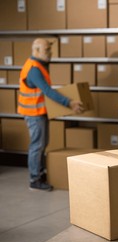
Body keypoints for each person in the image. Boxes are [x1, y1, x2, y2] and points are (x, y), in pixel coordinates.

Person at [18, 38, 84, 191]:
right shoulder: (34, 69)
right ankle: (34, 179)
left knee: (42, 144)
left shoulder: (40, 65)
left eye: (50, 49)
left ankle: (40, 174)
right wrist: (69, 102)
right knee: (37, 145)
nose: (50, 53)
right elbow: (47, 91)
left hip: (39, 112)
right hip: (33, 113)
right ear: (36, 50)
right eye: (47, 50)